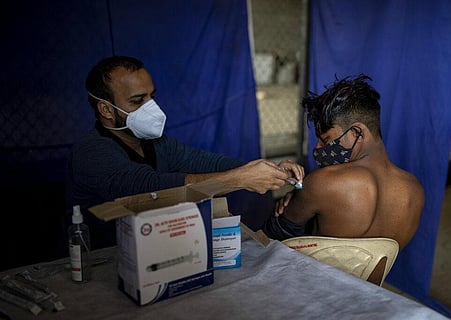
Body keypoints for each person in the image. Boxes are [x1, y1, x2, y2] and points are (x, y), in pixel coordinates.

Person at [68, 55, 304, 250]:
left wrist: (268, 170)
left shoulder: (156, 143)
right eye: (138, 100)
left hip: (154, 251)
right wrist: (241, 179)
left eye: (151, 96)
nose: (151, 108)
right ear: (106, 109)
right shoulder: (91, 151)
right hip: (105, 260)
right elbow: (148, 189)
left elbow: (204, 161)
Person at [262, 74, 424, 251]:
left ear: (356, 133)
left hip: (314, 279)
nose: (317, 149)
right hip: (364, 281)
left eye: (325, 140)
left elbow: (273, 238)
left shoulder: (322, 182)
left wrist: (300, 198)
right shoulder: (414, 191)